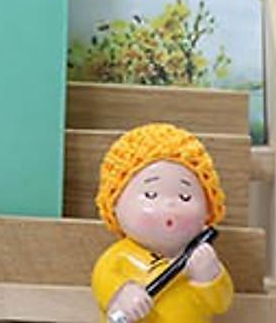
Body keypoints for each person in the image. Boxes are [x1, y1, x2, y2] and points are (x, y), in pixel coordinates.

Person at [92, 123, 233, 322]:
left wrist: (209, 277)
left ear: (207, 209)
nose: (169, 206)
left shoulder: (200, 257)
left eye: (185, 197)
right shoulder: (120, 257)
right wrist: (122, 293)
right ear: (115, 204)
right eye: (150, 195)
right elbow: (103, 279)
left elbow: (221, 303)